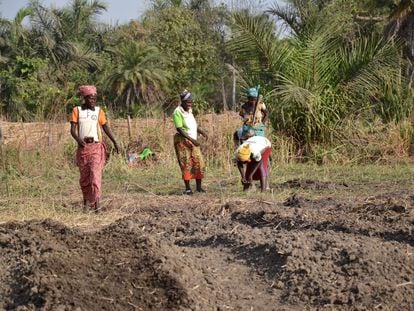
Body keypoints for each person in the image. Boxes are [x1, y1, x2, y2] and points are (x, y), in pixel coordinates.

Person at [70, 85, 119, 212]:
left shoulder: (98, 111)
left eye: (95, 98)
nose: (93, 101)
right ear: (84, 98)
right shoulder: (77, 111)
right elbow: (72, 131)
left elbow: (106, 127)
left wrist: (115, 142)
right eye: (90, 98)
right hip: (83, 148)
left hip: (96, 147)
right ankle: (86, 206)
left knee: (95, 176)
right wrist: (79, 140)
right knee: (85, 178)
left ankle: (97, 206)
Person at [173, 90, 208, 195]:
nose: (190, 104)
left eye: (191, 102)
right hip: (183, 141)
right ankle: (188, 189)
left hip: (193, 140)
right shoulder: (177, 112)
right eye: (187, 102)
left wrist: (202, 132)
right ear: (182, 101)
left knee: (199, 163)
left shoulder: (189, 111)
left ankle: (198, 187)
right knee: (186, 164)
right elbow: (179, 129)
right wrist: (192, 140)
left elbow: (193, 125)